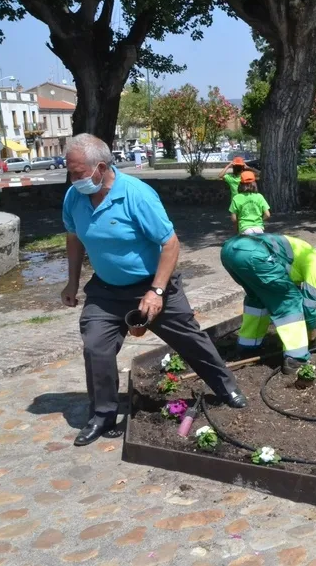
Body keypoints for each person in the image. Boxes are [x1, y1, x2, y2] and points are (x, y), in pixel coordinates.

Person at [60, 134, 247, 447]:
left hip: (153, 285)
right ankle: (103, 415)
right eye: (71, 172)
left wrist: (157, 291)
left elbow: (170, 243)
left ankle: (226, 387)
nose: (73, 179)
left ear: (101, 167)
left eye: (78, 173)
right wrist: (72, 281)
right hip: (106, 291)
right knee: (95, 347)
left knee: (190, 339)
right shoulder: (74, 197)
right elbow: (74, 238)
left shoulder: (137, 195)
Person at [220, 234, 316, 375]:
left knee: (258, 299)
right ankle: (296, 359)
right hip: (255, 255)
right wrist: (312, 337)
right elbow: (309, 306)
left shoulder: (305, 252)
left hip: (230, 250)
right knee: (291, 300)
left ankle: (247, 346)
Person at [229, 171, 270, 235]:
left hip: (245, 229)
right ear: (254, 183)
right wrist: (259, 221)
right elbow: (267, 214)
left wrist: (237, 228)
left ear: (240, 184)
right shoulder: (259, 196)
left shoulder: (236, 198)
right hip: (258, 229)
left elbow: (234, 219)